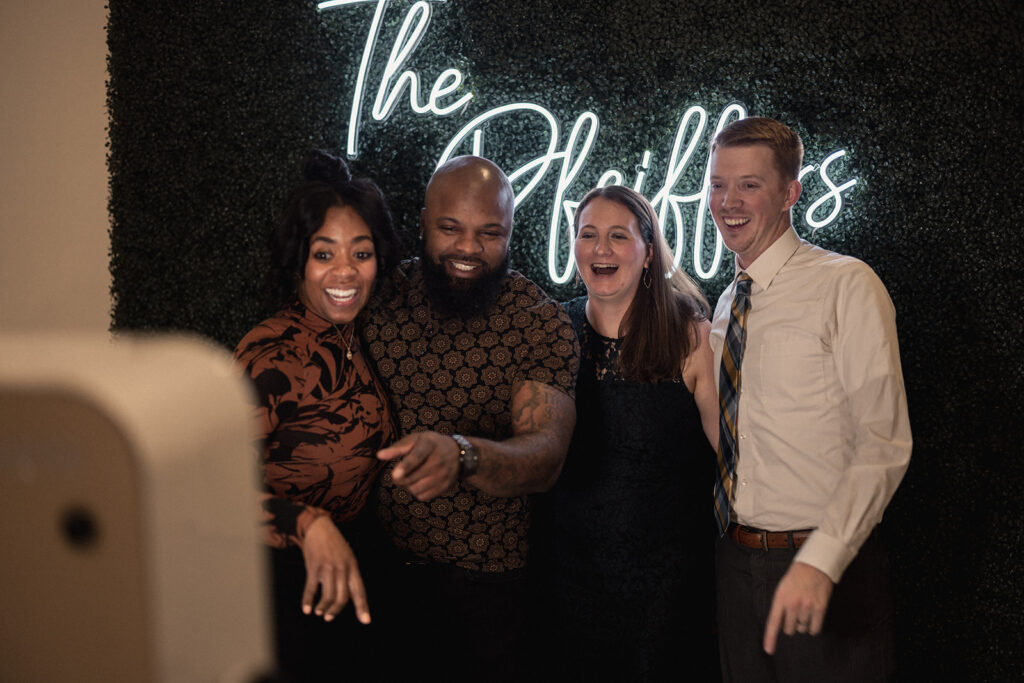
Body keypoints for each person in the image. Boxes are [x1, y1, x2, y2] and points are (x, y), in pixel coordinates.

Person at [359, 155, 579, 680]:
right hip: (375, 570)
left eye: (489, 233)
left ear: (509, 235)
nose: (467, 248)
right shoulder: (378, 295)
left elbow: (546, 453)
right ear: (421, 223)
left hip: (485, 590)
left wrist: (462, 454)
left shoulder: (537, 321)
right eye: (450, 228)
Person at [708, 117, 912, 682]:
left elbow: (885, 444)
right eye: (718, 183)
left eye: (749, 184)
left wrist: (821, 561)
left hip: (827, 563)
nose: (729, 200)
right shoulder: (726, 305)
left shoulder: (846, 284)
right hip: (735, 560)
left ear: (790, 194)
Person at [530, 185, 720, 680]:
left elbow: (731, 454)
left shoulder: (691, 334)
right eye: (588, 235)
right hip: (567, 577)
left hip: (666, 585)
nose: (601, 249)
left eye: (618, 235)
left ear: (649, 251)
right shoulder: (553, 330)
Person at [234, 150, 402, 682]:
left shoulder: (355, 338)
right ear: (299, 262)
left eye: (361, 252)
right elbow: (207, 491)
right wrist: (308, 523)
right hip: (276, 585)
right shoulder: (268, 353)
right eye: (324, 254)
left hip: (349, 568)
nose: (346, 272)